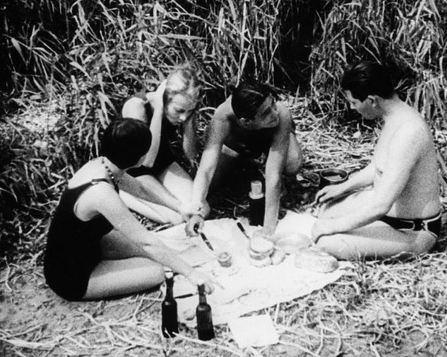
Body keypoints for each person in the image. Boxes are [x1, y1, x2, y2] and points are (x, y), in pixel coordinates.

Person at [44, 118, 214, 301]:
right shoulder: (101, 193)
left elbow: (140, 189)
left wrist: (181, 208)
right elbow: (146, 242)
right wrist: (192, 274)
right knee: (156, 270)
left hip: (91, 245)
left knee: (163, 253)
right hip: (72, 276)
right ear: (140, 158)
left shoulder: (103, 165)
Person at [312, 61, 442, 260]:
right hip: (388, 212)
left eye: (354, 102)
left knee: (327, 241)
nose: (352, 107)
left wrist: (333, 227)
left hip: (413, 231)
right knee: (325, 210)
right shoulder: (393, 117)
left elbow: (381, 205)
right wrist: (342, 188)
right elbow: (378, 168)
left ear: (372, 100)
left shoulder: (409, 132)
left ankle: (396, 241)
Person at [186, 81, 303, 236]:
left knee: (292, 163)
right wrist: (196, 209)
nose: (274, 113)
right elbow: (206, 168)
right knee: (206, 184)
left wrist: (268, 229)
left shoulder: (281, 113)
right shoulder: (222, 116)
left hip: (270, 137)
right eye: (266, 113)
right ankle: (239, 158)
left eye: (273, 104)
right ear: (245, 121)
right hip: (238, 143)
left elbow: (273, 175)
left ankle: (256, 156)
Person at [121, 66, 209, 225]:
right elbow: (147, 161)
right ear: (165, 98)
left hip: (162, 159)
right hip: (134, 167)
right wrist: (158, 111)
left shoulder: (185, 113)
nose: (183, 117)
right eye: (179, 110)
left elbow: (190, 154)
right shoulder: (136, 107)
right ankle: (121, 191)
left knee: (200, 208)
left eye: (189, 111)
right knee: (176, 217)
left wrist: (190, 120)